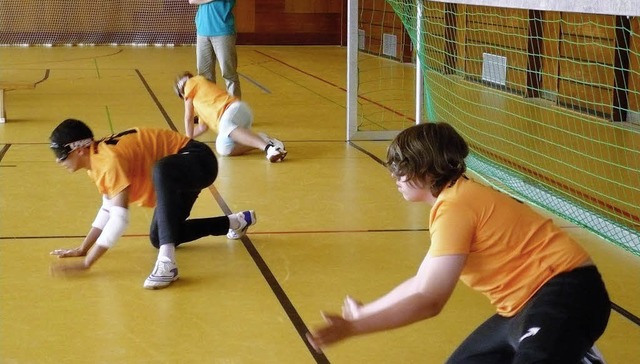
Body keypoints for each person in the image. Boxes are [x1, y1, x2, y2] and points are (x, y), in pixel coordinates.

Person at [307, 122, 610, 363]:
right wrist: (366, 312)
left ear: (426, 169)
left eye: (402, 167)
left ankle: (572, 350)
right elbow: (422, 282)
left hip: (567, 294)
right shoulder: (454, 201)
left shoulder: (457, 205)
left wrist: (354, 327)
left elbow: (430, 301)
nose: (394, 176)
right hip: (521, 308)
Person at [48, 118, 257, 290]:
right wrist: (84, 248)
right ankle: (235, 222)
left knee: (162, 169)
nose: (58, 161)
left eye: (61, 155)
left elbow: (119, 219)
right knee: (160, 236)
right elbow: (108, 209)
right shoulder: (96, 163)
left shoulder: (107, 160)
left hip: (198, 160)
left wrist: (87, 263)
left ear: (79, 150)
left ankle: (167, 264)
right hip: (180, 176)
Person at [174, 71, 287, 162]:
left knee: (225, 125)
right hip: (236, 119)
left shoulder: (192, 82)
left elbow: (188, 117)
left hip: (233, 109)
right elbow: (202, 127)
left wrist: (187, 144)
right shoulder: (201, 105)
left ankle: (269, 149)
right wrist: (183, 139)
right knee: (223, 148)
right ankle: (264, 140)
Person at [189, 0, 241, 98]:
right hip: (202, 32)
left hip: (223, 31)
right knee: (204, 75)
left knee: (229, 73)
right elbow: (192, 1)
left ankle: (234, 109)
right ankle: (210, 108)